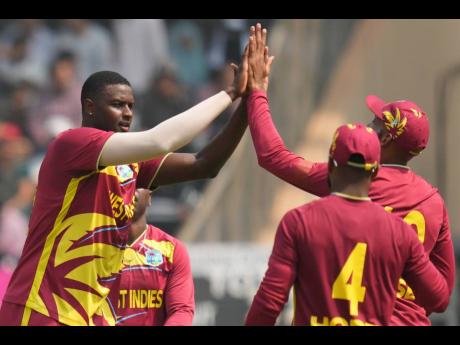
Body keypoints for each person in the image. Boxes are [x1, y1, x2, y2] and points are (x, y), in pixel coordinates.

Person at [0, 44, 249, 326]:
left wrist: (246, 106)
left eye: (131, 105)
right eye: (117, 105)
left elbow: (205, 164)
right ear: (90, 108)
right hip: (39, 309)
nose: (128, 113)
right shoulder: (71, 145)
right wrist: (230, 94)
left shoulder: (132, 164)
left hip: (84, 316)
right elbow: (160, 140)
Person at [245, 23, 455, 325]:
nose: (370, 123)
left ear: (383, 139)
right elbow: (440, 295)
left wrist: (257, 93)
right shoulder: (433, 202)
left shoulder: (350, 181)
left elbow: (272, 156)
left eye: (376, 121)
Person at [245, 123, 450, 326]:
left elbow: (270, 302)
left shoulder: (298, 222)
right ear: (376, 170)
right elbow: (438, 299)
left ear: (331, 164)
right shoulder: (400, 232)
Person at [115, 189, 194, 326]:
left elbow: (181, 310)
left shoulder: (173, 250)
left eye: (138, 184)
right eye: (125, 183)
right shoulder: (91, 249)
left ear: (149, 197)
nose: (131, 188)